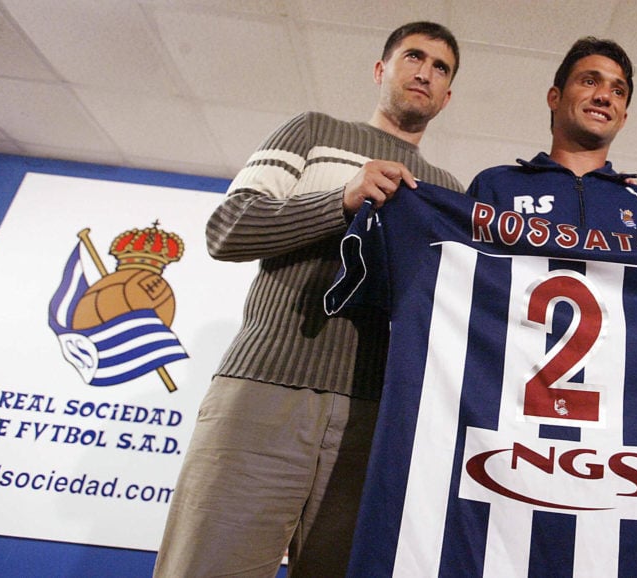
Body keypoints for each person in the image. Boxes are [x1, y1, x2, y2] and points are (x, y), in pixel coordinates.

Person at [153, 21, 462, 577]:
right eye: (413, 56)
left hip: (375, 416)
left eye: (441, 68)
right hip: (262, 391)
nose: (425, 72)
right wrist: (340, 202)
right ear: (380, 70)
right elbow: (227, 230)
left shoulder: (447, 190)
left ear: (447, 95)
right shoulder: (312, 131)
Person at [468, 36, 637, 237]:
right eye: (590, 81)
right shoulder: (495, 185)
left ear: (623, 119)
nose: (604, 97)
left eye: (618, 91)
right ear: (554, 98)